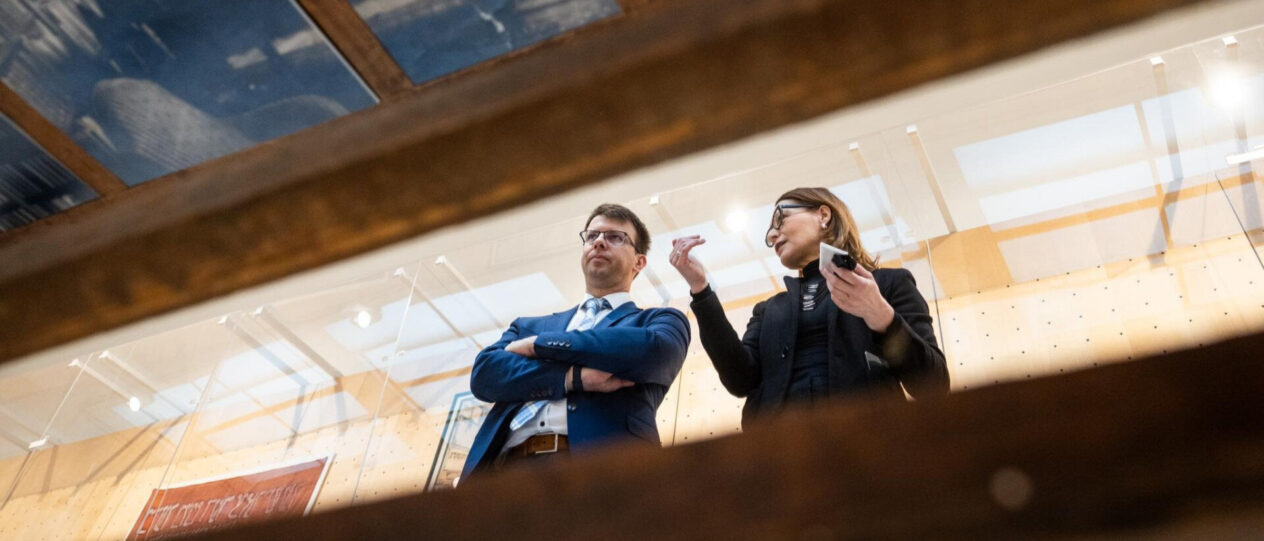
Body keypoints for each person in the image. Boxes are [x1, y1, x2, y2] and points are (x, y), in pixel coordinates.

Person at [668, 187, 947, 428]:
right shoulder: (768, 310)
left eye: (780, 219)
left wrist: (883, 317)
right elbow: (739, 379)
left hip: (866, 444)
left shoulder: (888, 284)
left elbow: (933, 384)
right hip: (777, 453)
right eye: (769, 232)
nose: (772, 236)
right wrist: (701, 290)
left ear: (823, 215)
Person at [461, 203, 691, 480]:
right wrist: (572, 378)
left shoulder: (657, 322)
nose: (599, 242)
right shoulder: (528, 326)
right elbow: (484, 374)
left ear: (639, 262)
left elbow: (656, 351)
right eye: (592, 236)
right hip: (502, 474)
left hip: (604, 475)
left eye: (615, 237)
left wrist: (539, 346)